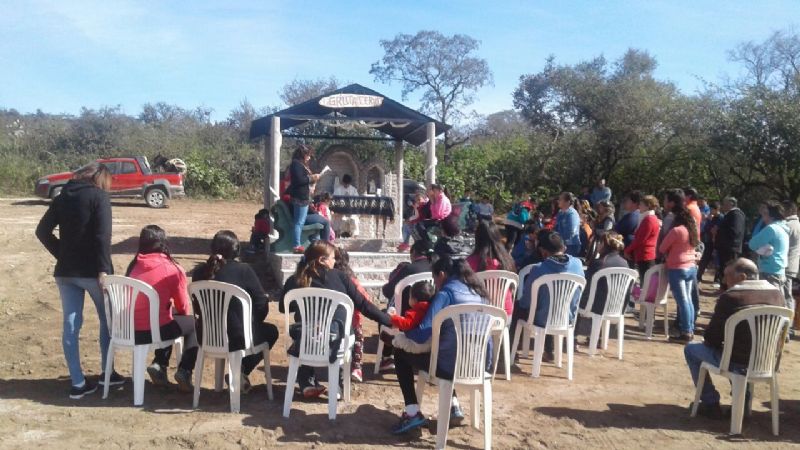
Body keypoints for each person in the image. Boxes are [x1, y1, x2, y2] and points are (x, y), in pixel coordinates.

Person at [36, 162, 117, 399]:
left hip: (65, 272)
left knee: (70, 326)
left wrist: (61, 253)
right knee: (107, 322)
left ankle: (78, 383)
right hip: (93, 271)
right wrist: (103, 269)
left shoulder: (62, 197)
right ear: (100, 179)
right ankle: (107, 374)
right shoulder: (99, 197)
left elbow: (42, 231)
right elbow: (103, 236)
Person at [391, 256, 489, 434]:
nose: (435, 284)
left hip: (449, 367)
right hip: (479, 365)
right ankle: (453, 406)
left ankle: (412, 412)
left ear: (442, 275)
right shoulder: (479, 293)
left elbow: (422, 334)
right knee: (448, 348)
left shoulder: (445, 294)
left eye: (435, 279)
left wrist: (404, 333)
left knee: (400, 352)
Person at [281, 241, 391, 398]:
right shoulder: (340, 277)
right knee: (347, 331)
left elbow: (282, 307)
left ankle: (306, 381)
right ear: (322, 260)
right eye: (333, 258)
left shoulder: (295, 280)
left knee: (309, 329)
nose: (334, 261)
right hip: (335, 341)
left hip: (305, 342)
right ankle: (338, 384)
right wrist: (388, 320)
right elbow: (364, 305)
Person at [683, 258, 784, 418]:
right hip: (767, 361)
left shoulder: (731, 297)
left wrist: (716, 343)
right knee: (738, 347)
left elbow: (712, 338)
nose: (723, 280)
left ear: (742, 277)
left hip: (737, 363)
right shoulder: (777, 295)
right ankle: (742, 404)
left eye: (727, 276)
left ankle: (710, 403)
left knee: (691, 349)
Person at [192, 231, 279, 392]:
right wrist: (252, 322)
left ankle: (238, 371)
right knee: (271, 331)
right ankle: (241, 370)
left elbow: (197, 306)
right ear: (237, 250)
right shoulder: (244, 270)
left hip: (205, 335)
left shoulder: (199, 272)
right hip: (238, 337)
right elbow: (261, 303)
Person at [125, 225, 199, 391]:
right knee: (193, 324)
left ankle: (160, 364)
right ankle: (184, 370)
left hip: (128, 329)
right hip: (154, 331)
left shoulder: (133, 266)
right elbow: (182, 306)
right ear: (164, 243)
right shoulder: (172, 268)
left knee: (166, 316)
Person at [511, 231, 585, 362]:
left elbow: (526, 302)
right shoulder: (578, 265)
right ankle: (549, 350)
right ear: (564, 248)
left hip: (541, 319)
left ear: (542, 251)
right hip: (566, 317)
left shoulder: (539, 269)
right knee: (553, 305)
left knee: (518, 307)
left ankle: (512, 350)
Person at [379, 240, 435, 371]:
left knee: (385, 315)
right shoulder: (435, 268)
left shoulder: (408, 269)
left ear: (414, 253)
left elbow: (388, 291)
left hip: (406, 318)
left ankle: (387, 357)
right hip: (429, 320)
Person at [577, 233, 629, 337]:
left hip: (597, 307)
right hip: (617, 306)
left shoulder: (599, 263)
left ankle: (573, 338)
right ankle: (599, 337)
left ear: (604, 245)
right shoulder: (625, 263)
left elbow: (587, 285)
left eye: (599, 243)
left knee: (575, 298)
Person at [659, 208, 700, 343]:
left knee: (682, 301)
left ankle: (686, 332)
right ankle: (690, 329)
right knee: (688, 300)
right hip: (691, 266)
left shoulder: (677, 231)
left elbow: (662, 248)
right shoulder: (692, 230)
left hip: (677, 267)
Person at [333, 247, 370, 383]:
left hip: (332, 322)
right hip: (352, 321)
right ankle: (356, 367)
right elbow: (365, 298)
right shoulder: (351, 280)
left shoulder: (327, 279)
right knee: (358, 338)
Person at [748, 200, 792, 312]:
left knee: (769, 305)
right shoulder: (783, 228)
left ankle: (770, 328)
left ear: (769, 215)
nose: (763, 216)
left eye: (764, 213)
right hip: (779, 270)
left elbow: (752, 244)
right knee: (779, 301)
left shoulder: (771, 229)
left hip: (768, 270)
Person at [467, 220, 516, 317]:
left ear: (477, 238)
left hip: (479, 315)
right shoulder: (507, 260)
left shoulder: (470, 262)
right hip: (504, 314)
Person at [286, 144, 328, 253]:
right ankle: (296, 245)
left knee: (301, 221)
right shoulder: (296, 164)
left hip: (303, 198)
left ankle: (315, 243)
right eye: (308, 155)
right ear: (303, 154)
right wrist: (312, 178)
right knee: (299, 222)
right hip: (300, 199)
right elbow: (299, 180)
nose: (309, 157)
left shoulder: (300, 164)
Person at [625, 195, 661, 284]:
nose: (639, 206)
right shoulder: (651, 218)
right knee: (646, 282)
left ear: (647, 206)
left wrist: (627, 250)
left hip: (645, 256)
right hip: (647, 255)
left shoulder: (648, 220)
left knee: (645, 284)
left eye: (641, 204)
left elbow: (640, 239)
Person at [715, 197, 746, 289]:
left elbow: (735, 231)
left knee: (729, 269)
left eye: (725, 204)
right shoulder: (730, 214)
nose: (722, 206)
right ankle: (723, 287)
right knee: (724, 268)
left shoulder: (736, 215)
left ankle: (728, 288)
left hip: (730, 248)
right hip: (725, 248)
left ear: (731, 204)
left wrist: (720, 231)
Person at [697, 201, 722, 284]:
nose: (710, 211)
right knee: (704, 259)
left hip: (717, 242)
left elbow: (715, 230)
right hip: (709, 241)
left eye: (712, 209)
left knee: (717, 261)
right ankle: (698, 276)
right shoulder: (712, 218)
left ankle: (717, 279)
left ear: (716, 209)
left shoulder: (721, 218)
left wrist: (713, 230)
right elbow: (708, 228)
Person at [554, 192, 582, 256]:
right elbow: (556, 228)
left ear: (567, 202)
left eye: (560, 199)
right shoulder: (560, 213)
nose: (558, 201)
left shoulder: (572, 214)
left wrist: (559, 241)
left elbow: (570, 232)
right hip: (561, 244)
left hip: (571, 246)